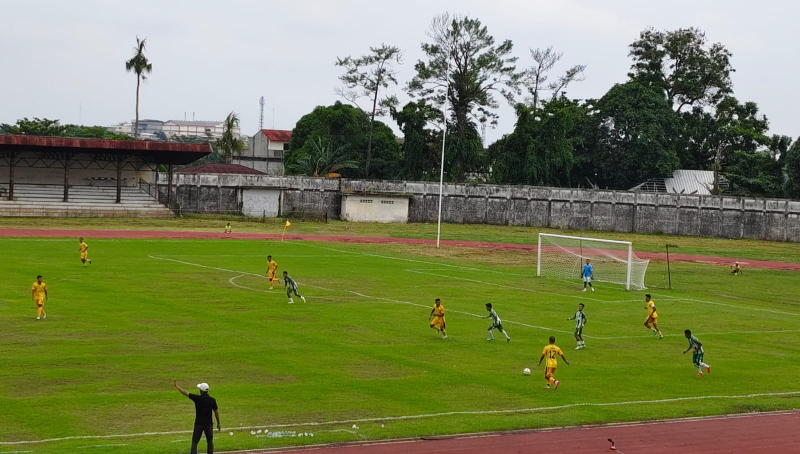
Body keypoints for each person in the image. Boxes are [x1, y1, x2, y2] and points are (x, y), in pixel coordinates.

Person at [173, 380, 220, 454]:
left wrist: (177, 386)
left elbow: (185, 393)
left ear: (201, 390)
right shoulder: (212, 400)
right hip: (209, 424)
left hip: (199, 423)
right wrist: (218, 423)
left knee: (195, 441)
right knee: (210, 441)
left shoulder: (197, 398)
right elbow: (216, 412)